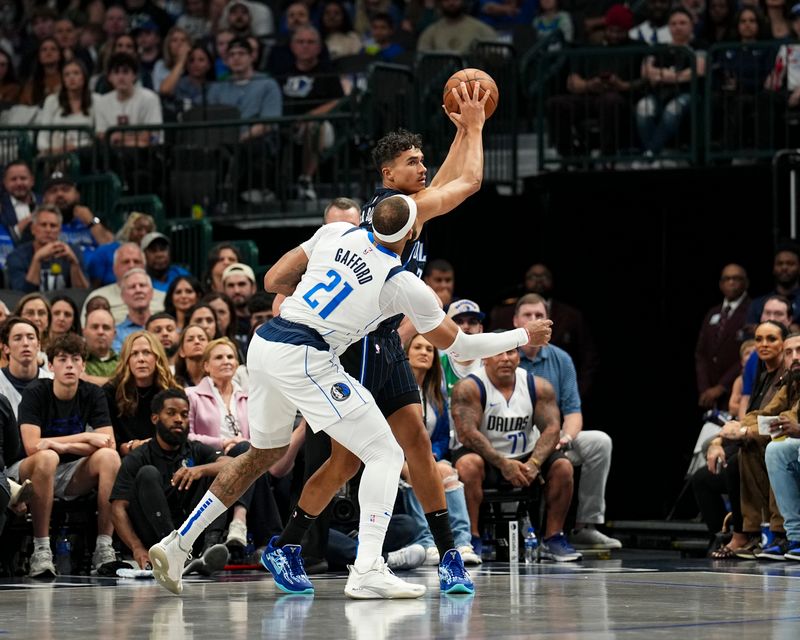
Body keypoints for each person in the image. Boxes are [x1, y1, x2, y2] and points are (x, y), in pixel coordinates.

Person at [148, 194, 552, 598]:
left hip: (267, 343)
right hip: (307, 354)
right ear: (412, 233)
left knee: (262, 453)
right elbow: (461, 346)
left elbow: (272, 280)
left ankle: (178, 545)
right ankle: (367, 569)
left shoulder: (336, 231)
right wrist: (523, 335)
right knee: (387, 454)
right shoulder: (401, 281)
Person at [269, 83, 489, 590]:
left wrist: (459, 134)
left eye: (423, 160)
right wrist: (475, 125)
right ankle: (286, 547)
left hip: (386, 342)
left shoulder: (407, 203)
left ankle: (449, 554)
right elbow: (468, 181)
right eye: (413, 162)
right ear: (387, 174)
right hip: (360, 345)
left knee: (416, 444)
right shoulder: (399, 211)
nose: (422, 168)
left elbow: (447, 179)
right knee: (347, 460)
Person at [451, 344, 582, 561]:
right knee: (467, 465)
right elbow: (467, 434)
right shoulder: (469, 387)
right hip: (488, 459)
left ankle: (553, 538)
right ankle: (470, 539)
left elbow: (552, 429)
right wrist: (503, 463)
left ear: (518, 357)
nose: (505, 358)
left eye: (511, 352)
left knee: (563, 466)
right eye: (498, 352)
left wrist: (535, 463)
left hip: (526, 457)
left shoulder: (538, 386)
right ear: (485, 358)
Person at [6, 334, 120, 577]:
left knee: (110, 458)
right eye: (62, 359)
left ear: (83, 365)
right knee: (48, 458)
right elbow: (32, 446)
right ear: (50, 365)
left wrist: (64, 446)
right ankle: (42, 550)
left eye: (75, 359)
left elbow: (108, 444)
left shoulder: (93, 394)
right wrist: (87, 438)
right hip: (27, 471)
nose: (69, 365)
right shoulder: (36, 391)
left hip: (71, 473)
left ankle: (104, 547)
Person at [513, 294, 620, 550]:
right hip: (515, 437)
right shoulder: (504, 356)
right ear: (515, 321)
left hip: (555, 436)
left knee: (600, 442)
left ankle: (587, 525)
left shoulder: (561, 359)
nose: (534, 320)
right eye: (528, 315)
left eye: (539, 315)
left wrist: (566, 437)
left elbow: (573, 412)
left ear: (548, 321)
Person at [110, 388, 231, 573]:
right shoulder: (139, 456)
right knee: (148, 474)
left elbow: (232, 465)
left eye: (184, 414)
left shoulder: (196, 450)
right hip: (156, 538)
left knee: (218, 472)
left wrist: (200, 470)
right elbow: (118, 508)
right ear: (155, 418)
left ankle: (208, 550)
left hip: (190, 531)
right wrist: (137, 548)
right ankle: (172, 552)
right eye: (171, 413)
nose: (179, 419)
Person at [703, 321, 790, 558]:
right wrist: (721, 438)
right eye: (759, 339)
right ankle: (741, 533)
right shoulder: (766, 376)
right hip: (771, 435)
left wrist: (745, 432)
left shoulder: (787, 377)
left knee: (767, 451)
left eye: (771, 339)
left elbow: (785, 418)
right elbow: (762, 413)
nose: (763, 345)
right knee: (704, 476)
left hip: (783, 439)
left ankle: (771, 533)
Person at [402, 332, 480, 565]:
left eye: (429, 349)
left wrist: (432, 455)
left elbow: (442, 437)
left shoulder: (436, 395)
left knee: (447, 472)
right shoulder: (392, 391)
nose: (424, 352)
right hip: (396, 460)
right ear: (405, 354)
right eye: (417, 347)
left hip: (428, 457)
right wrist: (412, 460)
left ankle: (463, 543)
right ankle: (427, 542)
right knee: (420, 472)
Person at [186, 338, 254, 548]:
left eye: (230, 356)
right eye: (219, 357)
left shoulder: (247, 398)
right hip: (210, 457)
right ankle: (240, 524)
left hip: (244, 453)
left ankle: (238, 524)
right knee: (247, 454)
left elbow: (257, 436)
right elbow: (187, 436)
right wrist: (222, 442)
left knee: (249, 450)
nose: (226, 361)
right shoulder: (191, 395)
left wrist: (242, 442)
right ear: (206, 365)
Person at [636, 8, 706, 162]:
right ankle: (656, 154)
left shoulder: (699, 46)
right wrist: (676, 76)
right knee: (643, 107)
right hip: (659, 93)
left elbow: (698, 70)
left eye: (682, 23)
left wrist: (664, 76)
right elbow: (645, 70)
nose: (678, 27)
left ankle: (649, 155)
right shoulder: (659, 47)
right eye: (673, 23)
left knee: (673, 109)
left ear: (691, 25)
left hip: (688, 94)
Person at [105, 330, 181, 458]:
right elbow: (110, 442)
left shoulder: (172, 391)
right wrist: (134, 446)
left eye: (147, 352)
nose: (141, 359)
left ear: (157, 357)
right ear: (127, 360)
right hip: (126, 460)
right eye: (134, 354)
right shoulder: (111, 391)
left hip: (166, 457)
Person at [695, 264, 751, 412]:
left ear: (746, 283)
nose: (731, 282)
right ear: (721, 284)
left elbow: (749, 354)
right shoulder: (713, 312)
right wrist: (705, 387)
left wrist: (722, 386)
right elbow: (701, 353)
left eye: (736, 278)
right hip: (709, 393)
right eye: (727, 279)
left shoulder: (752, 311)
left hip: (735, 389)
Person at [6, 204, 89, 293]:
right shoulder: (17, 256)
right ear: (33, 229)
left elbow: (82, 294)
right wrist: (37, 259)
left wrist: (74, 263)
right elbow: (21, 295)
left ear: (59, 231)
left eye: (53, 226)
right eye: (43, 225)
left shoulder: (72, 252)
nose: (48, 230)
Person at [82, 242, 167, 324]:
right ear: (114, 268)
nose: (131, 266)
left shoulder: (164, 298)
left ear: (144, 267)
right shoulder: (97, 297)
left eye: (136, 261)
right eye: (126, 262)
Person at [40, 172, 114, 256]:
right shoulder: (40, 225)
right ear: (44, 199)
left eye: (65, 189)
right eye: (53, 191)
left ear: (77, 195)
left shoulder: (94, 219)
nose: (60, 194)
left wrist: (91, 221)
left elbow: (112, 249)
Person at [36, 60, 98, 156]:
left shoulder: (96, 100)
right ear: (63, 80)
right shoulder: (51, 101)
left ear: (84, 77)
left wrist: (74, 146)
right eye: (67, 74)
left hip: (84, 153)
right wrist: (49, 149)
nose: (71, 77)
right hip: (54, 151)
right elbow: (43, 137)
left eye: (76, 73)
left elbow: (96, 137)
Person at [86, 212, 156, 288]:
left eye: (148, 231)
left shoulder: (153, 255)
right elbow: (94, 286)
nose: (143, 234)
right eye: (139, 229)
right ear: (128, 229)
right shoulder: (104, 252)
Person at [0, 318, 53, 418]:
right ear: (6, 347)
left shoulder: (53, 381)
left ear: (38, 345)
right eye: (18, 338)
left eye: (30, 337)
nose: (25, 343)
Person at [746, 243, 800, 327]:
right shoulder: (757, 304)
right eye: (780, 263)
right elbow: (749, 334)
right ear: (773, 268)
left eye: (790, 263)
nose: (784, 268)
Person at [417, 0, 497, 55]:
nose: (451, 2)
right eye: (447, 0)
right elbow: (422, 60)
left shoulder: (481, 28)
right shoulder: (431, 32)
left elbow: (498, 56)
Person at [112, 268, 158, 352]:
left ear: (152, 293)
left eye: (142, 285)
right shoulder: (116, 334)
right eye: (132, 287)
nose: (138, 290)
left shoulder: (165, 329)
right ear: (123, 296)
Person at [83, 308, 119, 385]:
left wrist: (88, 379)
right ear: (84, 332)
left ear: (114, 334)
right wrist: (117, 382)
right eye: (95, 327)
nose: (100, 332)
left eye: (106, 327)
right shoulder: (75, 360)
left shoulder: (124, 362)